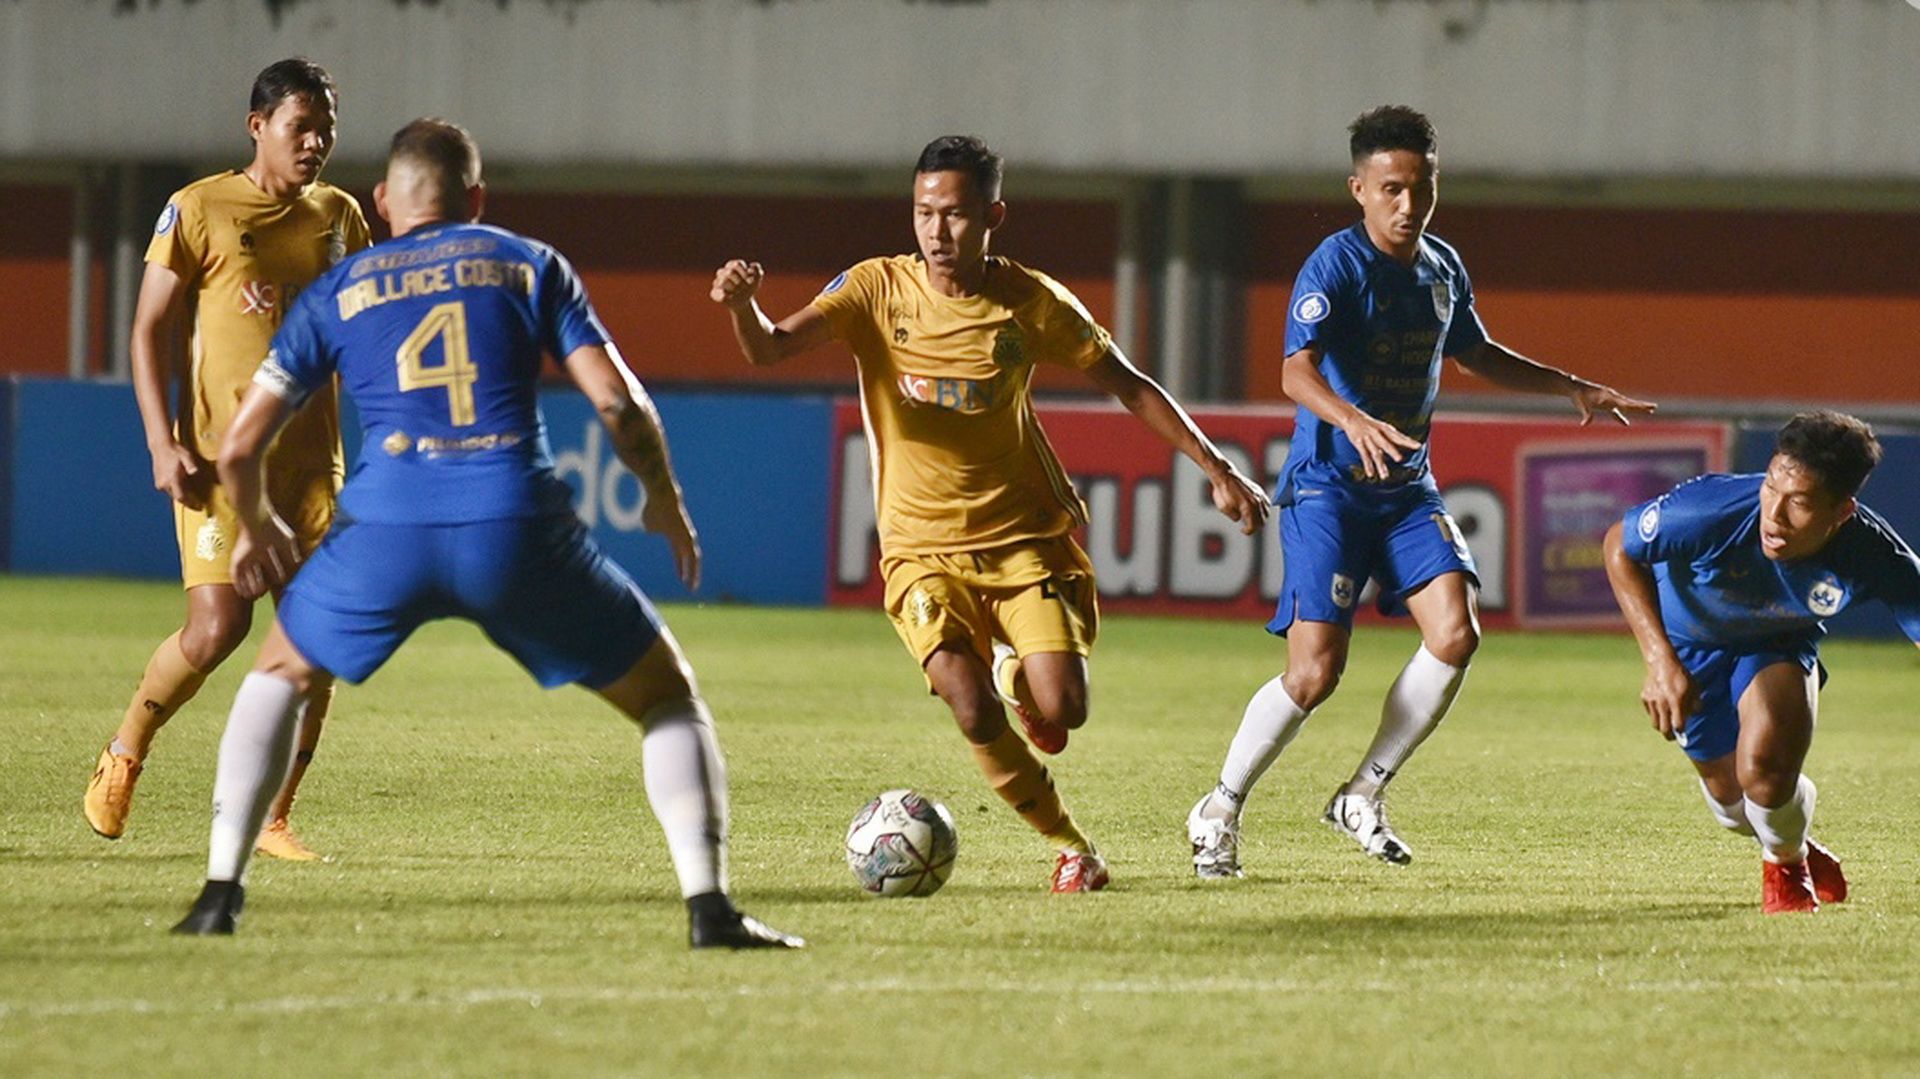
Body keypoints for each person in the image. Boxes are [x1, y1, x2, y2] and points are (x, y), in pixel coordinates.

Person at [170, 118, 802, 950]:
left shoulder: (340, 288)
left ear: (383, 202)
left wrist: (258, 527)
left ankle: (219, 893)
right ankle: (709, 909)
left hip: (385, 527)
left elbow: (242, 441)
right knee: (666, 696)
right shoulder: (529, 264)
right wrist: (663, 498)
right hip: (515, 525)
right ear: (475, 198)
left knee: (279, 671)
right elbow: (618, 404)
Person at [711, 135, 1269, 893]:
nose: (938, 232)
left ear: (993, 216)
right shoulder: (875, 291)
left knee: (1061, 710)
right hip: (919, 549)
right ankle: (1072, 845)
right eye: (924, 214)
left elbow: (1130, 383)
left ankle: (1015, 672)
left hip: (1023, 539)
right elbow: (769, 350)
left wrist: (1217, 466)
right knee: (966, 701)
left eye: (957, 216)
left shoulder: (1029, 302)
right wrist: (745, 306)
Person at [1185, 105, 1656, 877]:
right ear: (1360, 189)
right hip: (1329, 487)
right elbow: (1292, 371)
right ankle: (1220, 807)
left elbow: (1474, 351)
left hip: (1405, 489)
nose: (1410, 206)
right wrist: (1353, 419)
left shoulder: (1441, 266)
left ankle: (1362, 793)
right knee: (1314, 673)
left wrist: (1569, 386)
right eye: (1394, 190)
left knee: (1457, 631)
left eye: (1423, 189)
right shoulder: (1333, 265)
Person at [86, 58, 371, 860]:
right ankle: (125, 751)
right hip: (218, 461)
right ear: (258, 127)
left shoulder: (340, 216)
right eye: (299, 128)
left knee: (318, 643)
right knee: (216, 629)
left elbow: (361, 328)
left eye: (326, 131)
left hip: (313, 466)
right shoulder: (197, 208)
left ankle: (275, 816)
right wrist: (159, 439)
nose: (315, 143)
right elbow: (147, 329)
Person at [1602, 412, 1920, 913]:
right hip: (1690, 649)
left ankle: (1786, 867)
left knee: (1766, 773)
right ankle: (1795, 837)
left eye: (1799, 503)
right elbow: (1619, 548)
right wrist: (1660, 661)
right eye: (1772, 487)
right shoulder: (1709, 510)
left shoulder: (1873, 552)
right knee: (1733, 806)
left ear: (1841, 512)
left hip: (1779, 644)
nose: (1773, 514)